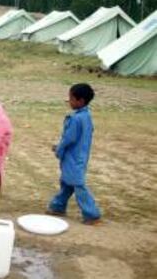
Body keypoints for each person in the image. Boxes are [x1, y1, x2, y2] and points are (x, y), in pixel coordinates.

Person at [47, 83, 101, 225]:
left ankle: (91, 214)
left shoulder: (76, 119)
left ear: (80, 101)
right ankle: (57, 206)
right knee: (67, 182)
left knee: (78, 185)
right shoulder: (86, 116)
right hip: (80, 156)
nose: (69, 101)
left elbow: (68, 139)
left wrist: (58, 149)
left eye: (71, 98)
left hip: (73, 158)